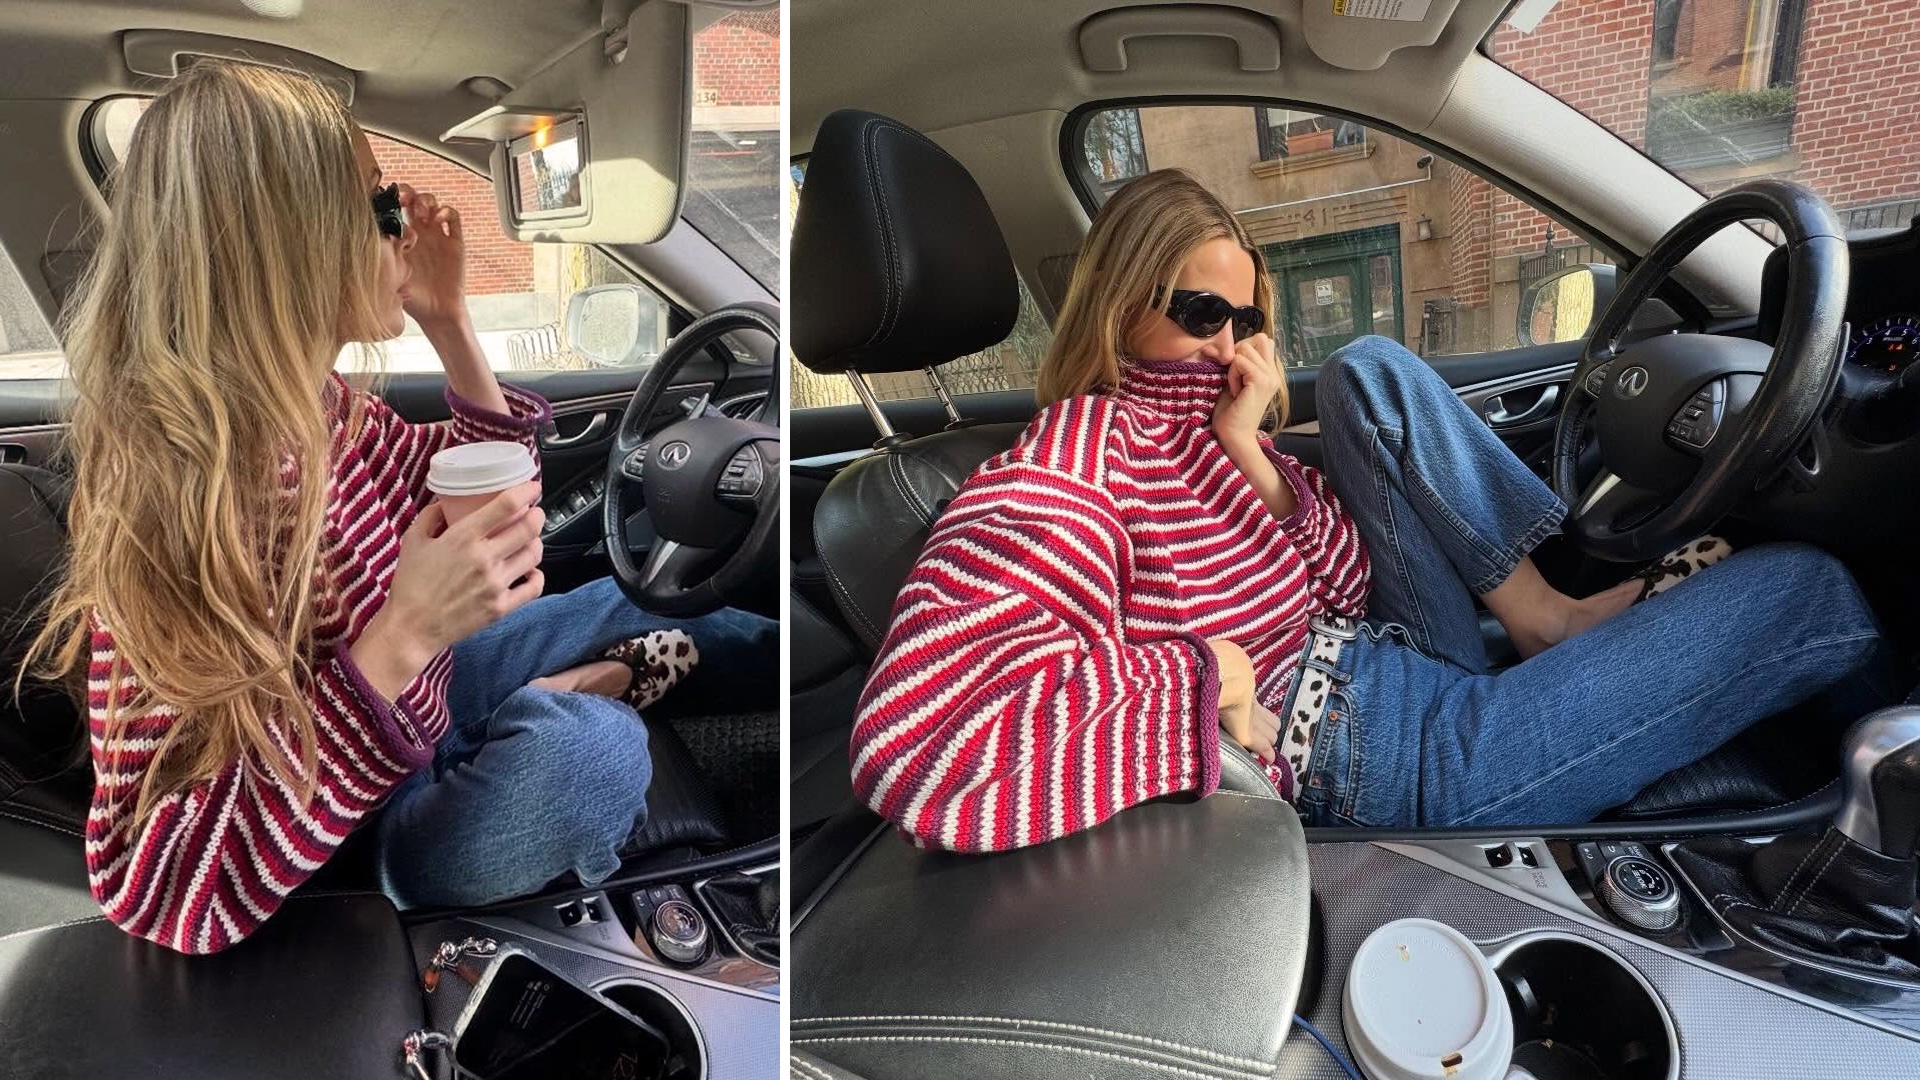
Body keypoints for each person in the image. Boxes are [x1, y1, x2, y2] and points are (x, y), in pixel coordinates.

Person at [849, 168, 1887, 851]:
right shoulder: (1062, 471)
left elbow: (1342, 582)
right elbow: (924, 741)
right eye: (1199, 313)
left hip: (1382, 652)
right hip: (1373, 760)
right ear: (1116, 307)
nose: (1229, 347)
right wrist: (1207, 677)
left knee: (1370, 370)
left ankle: (1542, 616)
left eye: (1246, 317)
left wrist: (1247, 451)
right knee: (1809, 589)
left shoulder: (1212, 430)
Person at [21, 62, 773, 954]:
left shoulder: (314, 404)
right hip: (351, 845)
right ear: (293, 244)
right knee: (591, 758)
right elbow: (169, 889)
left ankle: (777, 694)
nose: (402, 240)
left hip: (419, 704)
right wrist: (405, 635)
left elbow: (480, 492)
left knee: (638, 595)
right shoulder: (179, 507)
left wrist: (450, 322)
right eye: (382, 216)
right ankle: (566, 703)